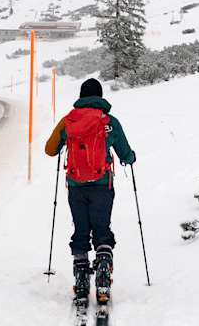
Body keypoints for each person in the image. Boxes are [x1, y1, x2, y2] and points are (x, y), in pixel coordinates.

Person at [44, 77, 136, 305]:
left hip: (76, 186)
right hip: (102, 185)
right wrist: (130, 157)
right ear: (100, 97)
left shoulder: (68, 121)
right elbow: (125, 153)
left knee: (81, 229)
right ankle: (104, 271)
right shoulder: (109, 121)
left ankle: (82, 278)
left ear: (81, 97)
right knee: (102, 228)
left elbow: (49, 149)